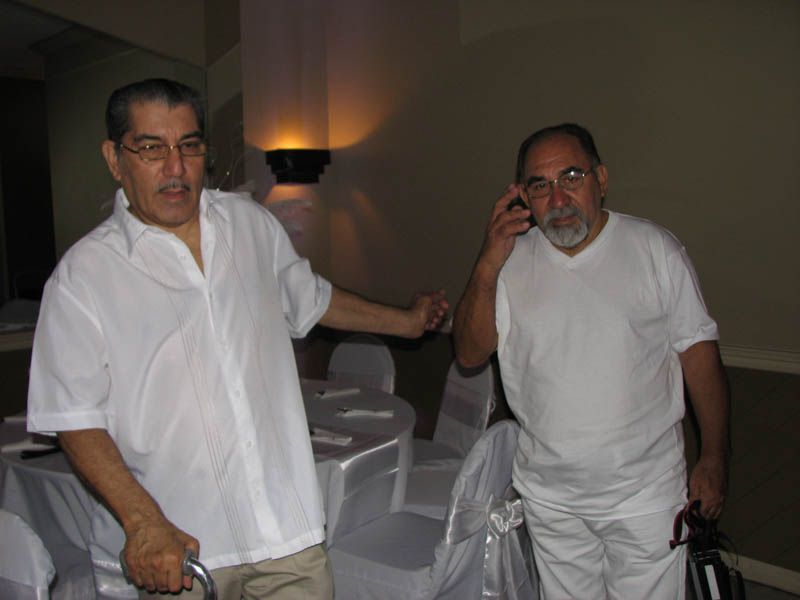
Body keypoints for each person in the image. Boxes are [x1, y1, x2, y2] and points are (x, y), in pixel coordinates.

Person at [26, 78, 448, 600]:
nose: (176, 167)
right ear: (115, 159)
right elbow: (74, 419)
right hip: (180, 554)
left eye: (190, 146)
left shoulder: (250, 224)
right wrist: (143, 523)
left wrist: (406, 322)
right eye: (152, 149)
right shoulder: (82, 278)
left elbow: (312, 299)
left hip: (286, 541)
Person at [452, 123, 729, 599]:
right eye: (540, 185)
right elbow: (469, 352)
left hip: (644, 497)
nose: (557, 199)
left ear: (601, 178)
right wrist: (486, 263)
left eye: (571, 177)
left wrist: (714, 457)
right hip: (550, 500)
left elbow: (700, 360)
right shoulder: (508, 263)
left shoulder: (655, 250)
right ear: (522, 195)